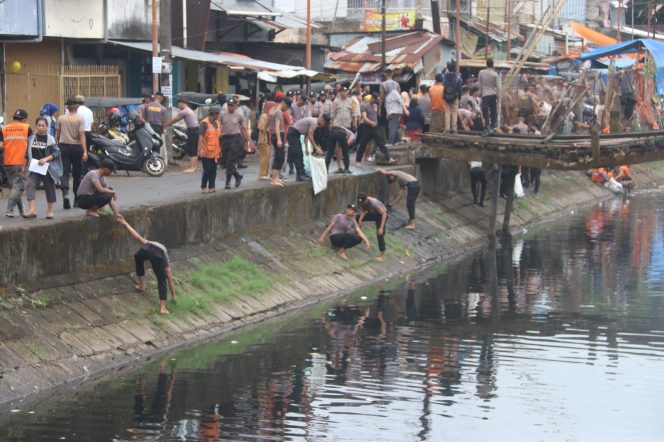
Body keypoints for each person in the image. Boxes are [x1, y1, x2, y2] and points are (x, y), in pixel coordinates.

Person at [119, 218, 177, 315]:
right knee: (162, 279)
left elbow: (137, 236)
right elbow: (170, 278)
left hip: (147, 250)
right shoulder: (164, 256)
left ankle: (141, 286)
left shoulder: (150, 243)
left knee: (138, 257)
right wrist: (174, 296)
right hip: (158, 257)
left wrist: (125, 223)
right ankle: (162, 308)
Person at [23, 117, 63, 219]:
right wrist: (24, 166)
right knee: (29, 184)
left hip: (47, 167)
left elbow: (57, 153)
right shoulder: (31, 138)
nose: (41, 128)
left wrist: (45, 159)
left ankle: (50, 211)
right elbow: (27, 154)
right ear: (36, 126)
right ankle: (32, 210)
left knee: (49, 188)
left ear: (46, 127)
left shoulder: (50, 139)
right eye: (39, 125)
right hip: (34, 166)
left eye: (43, 126)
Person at [0, 108, 32, 217]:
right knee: (18, 187)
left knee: (15, 187)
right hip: (21, 162)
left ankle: (22, 210)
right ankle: (10, 210)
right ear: (23, 119)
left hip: (8, 162)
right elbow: (32, 145)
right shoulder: (27, 128)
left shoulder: (4, 128)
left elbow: (0, 146)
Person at [57, 98, 88, 209]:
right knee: (77, 174)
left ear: (67, 107)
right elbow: (81, 135)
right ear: (77, 106)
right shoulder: (80, 119)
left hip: (63, 147)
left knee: (64, 173)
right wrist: (85, 151)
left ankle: (65, 195)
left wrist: (59, 144)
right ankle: (76, 199)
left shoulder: (61, 118)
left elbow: (58, 134)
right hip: (76, 148)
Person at [220, 97, 255, 189]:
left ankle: (227, 182)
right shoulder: (222, 114)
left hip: (235, 138)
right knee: (224, 161)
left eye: (232, 105)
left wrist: (250, 142)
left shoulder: (239, 114)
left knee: (230, 161)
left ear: (236, 106)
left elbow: (244, 128)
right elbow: (218, 125)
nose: (230, 107)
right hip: (225, 138)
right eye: (229, 105)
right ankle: (237, 176)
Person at [356, 94, 397, 167]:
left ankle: (389, 158)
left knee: (381, 143)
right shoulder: (364, 106)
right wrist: (371, 123)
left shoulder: (375, 106)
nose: (375, 102)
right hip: (367, 127)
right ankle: (358, 161)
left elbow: (376, 114)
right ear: (371, 98)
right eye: (374, 100)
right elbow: (364, 118)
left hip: (375, 127)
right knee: (363, 144)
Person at [163, 100, 199, 172]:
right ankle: (194, 167)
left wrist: (164, 126)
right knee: (194, 149)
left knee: (191, 149)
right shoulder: (189, 110)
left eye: (179, 104)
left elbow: (174, 120)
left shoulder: (185, 111)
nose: (178, 106)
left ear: (183, 103)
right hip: (196, 130)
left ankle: (192, 168)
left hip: (192, 130)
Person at [287, 115, 325, 181]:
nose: (323, 125)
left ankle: (302, 173)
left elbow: (306, 136)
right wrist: (316, 148)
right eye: (324, 123)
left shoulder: (313, 122)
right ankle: (299, 175)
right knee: (297, 153)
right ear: (322, 120)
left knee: (300, 153)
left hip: (296, 134)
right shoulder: (314, 122)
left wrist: (307, 149)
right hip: (292, 133)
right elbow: (310, 136)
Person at [357, 192, 389, 262]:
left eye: (363, 202)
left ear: (366, 199)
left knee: (379, 234)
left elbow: (384, 214)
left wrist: (381, 227)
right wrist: (360, 220)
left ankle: (382, 256)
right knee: (357, 217)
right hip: (373, 214)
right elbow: (363, 210)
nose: (362, 203)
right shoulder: (362, 201)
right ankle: (358, 235)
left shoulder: (374, 204)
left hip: (381, 216)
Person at [198, 106, 222, 193]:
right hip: (206, 151)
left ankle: (212, 186)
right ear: (214, 114)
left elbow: (218, 137)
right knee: (206, 170)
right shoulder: (204, 123)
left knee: (213, 170)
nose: (219, 115)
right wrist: (200, 149)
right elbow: (200, 137)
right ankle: (203, 187)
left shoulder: (218, 123)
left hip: (215, 152)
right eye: (218, 114)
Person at [269, 97, 290, 186]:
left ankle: (276, 178)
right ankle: (274, 180)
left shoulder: (273, 109)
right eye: (287, 107)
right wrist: (279, 139)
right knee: (279, 158)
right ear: (285, 104)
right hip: (277, 134)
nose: (287, 110)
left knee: (279, 157)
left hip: (274, 134)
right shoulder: (279, 111)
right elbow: (277, 126)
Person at [478, 58, 500, 135]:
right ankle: (492, 127)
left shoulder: (481, 72)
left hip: (485, 94)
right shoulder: (495, 74)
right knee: (493, 111)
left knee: (485, 110)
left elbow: (479, 84)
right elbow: (498, 86)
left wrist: (480, 93)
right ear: (493, 64)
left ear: (486, 64)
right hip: (493, 94)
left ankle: (487, 127)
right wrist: (498, 96)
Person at [443, 61, 462, 132]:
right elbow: (459, 88)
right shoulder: (458, 77)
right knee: (454, 112)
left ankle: (447, 128)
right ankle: (454, 128)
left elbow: (443, 86)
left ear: (448, 68)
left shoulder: (444, 76)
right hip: (455, 97)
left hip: (446, 97)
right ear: (454, 68)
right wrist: (459, 97)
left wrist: (444, 95)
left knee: (447, 112)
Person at [256, 101, 273, 180]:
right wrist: (267, 129)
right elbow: (260, 126)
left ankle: (265, 173)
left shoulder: (267, 115)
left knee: (267, 156)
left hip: (266, 139)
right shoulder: (264, 116)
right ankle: (262, 174)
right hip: (263, 139)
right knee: (264, 157)